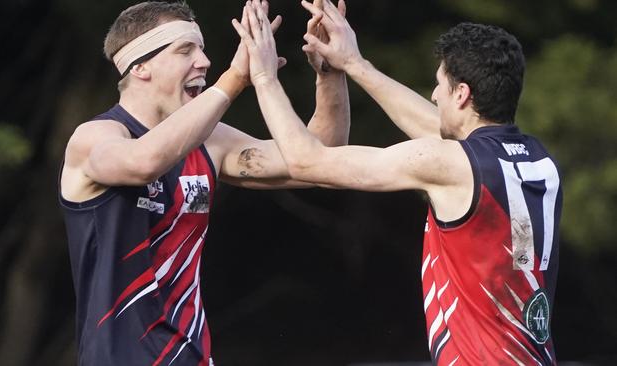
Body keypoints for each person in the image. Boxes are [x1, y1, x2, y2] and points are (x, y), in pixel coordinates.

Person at [233, 0, 562, 364]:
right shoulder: (537, 157)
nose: (435, 97)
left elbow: (306, 160)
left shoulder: (448, 164)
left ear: (463, 94)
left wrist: (264, 77)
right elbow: (443, 134)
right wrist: (352, 65)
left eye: (439, 86)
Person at [58, 0, 350, 365]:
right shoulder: (95, 137)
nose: (204, 61)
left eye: (202, 49)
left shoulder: (210, 142)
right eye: (186, 50)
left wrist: (330, 73)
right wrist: (237, 78)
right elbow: (144, 162)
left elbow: (320, 161)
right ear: (140, 67)